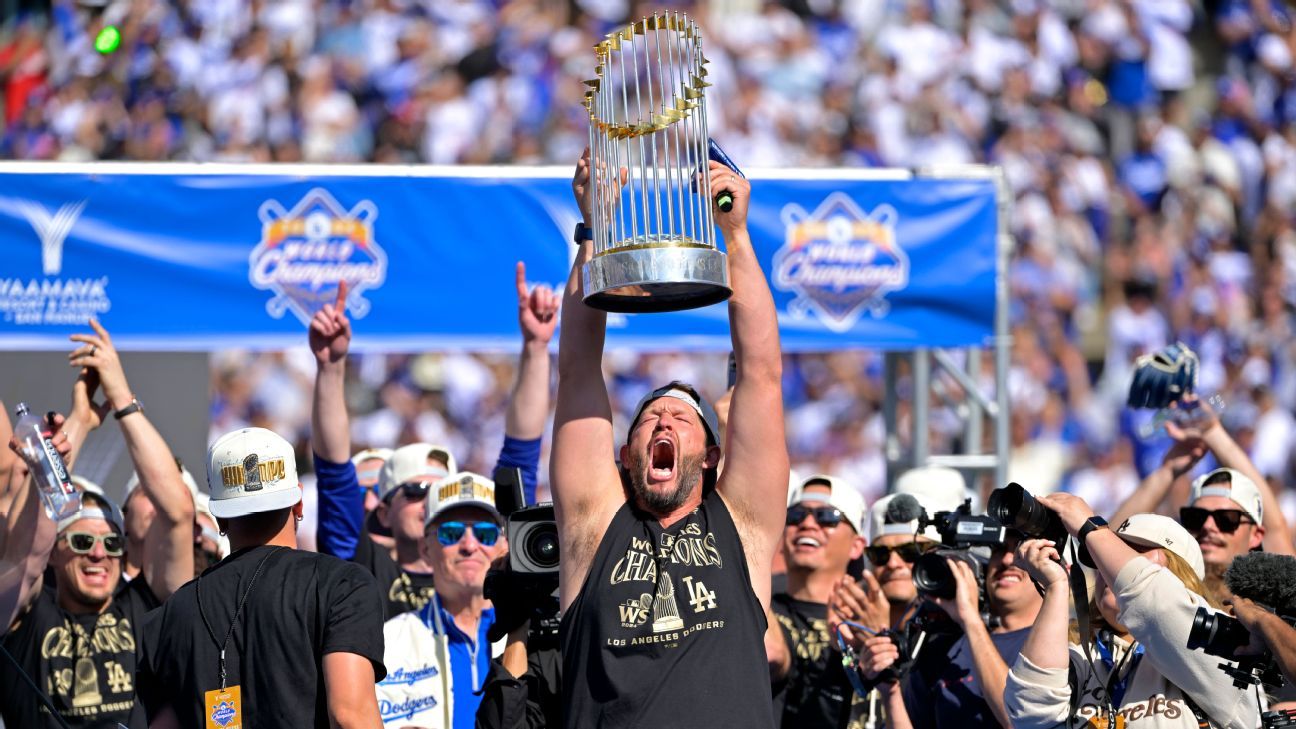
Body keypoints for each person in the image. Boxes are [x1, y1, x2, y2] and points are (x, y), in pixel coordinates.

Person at [552, 152, 788, 728]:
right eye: (649, 419)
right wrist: (595, 226)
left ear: (710, 458)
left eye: (681, 421)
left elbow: (760, 373)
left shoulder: (744, 528)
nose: (661, 423)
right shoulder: (594, 524)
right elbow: (580, 367)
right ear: (625, 457)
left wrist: (733, 235)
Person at [313, 269, 557, 618]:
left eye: (440, 490)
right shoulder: (362, 570)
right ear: (384, 513)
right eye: (414, 491)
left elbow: (521, 452)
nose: (429, 499)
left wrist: (535, 348)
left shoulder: (486, 556)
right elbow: (334, 473)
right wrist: (331, 369)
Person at [0, 320, 195, 729]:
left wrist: (121, 397)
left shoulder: (145, 608)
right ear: (56, 549)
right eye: (84, 538)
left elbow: (177, 512)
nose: (98, 553)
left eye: (113, 543)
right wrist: (77, 425)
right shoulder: (26, 615)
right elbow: (26, 555)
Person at [138, 426, 386, 728]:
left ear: (219, 518)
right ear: (299, 503)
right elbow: (350, 716)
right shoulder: (343, 585)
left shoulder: (172, 613)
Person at [1005, 496, 1263, 728]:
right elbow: (1030, 712)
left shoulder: (1220, 642)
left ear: (1180, 576)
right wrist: (1056, 587)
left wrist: (1090, 529)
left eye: (1133, 552)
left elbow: (1158, 607)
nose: (1108, 567)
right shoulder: (1082, 653)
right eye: (1101, 557)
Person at [376, 471, 507, 729]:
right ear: (425, 549)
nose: (469, 545)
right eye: (451, 532)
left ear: (503, 545)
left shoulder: (526, 637)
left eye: (485, 533)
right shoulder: (389, 641)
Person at [769, 475, 868, 728]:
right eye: (796, 516)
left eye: (827, 516)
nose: (808, 524)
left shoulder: (868, 619)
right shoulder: (758, 606)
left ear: (857, 546)